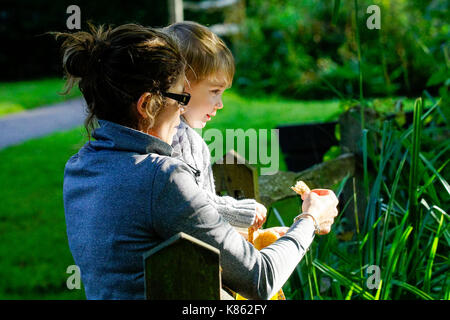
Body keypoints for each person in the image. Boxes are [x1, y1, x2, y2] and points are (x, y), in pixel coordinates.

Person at [59, 23, 339, 300]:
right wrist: (310, 219)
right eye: (181, 97)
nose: (183, 111)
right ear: (146, 106)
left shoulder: (79, 168)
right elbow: (260, 279)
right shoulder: (162, 177)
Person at [164, 21, 267, 233]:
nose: (220, 104)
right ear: (181, 85)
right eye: (214, 91)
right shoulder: (178, 139)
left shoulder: (179, 133)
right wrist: (239, 211)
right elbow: (189, 203)